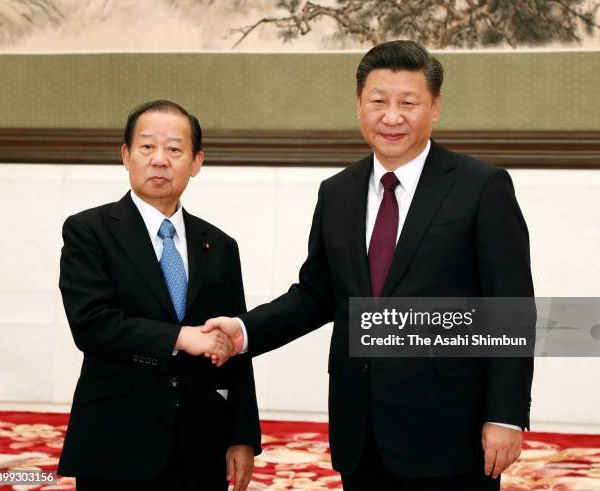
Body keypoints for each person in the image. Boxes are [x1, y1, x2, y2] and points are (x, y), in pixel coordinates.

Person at [204, 41, 534, 490]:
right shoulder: (337, 191)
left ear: (435, 107)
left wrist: (505, 415)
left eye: (408, 102)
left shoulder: (481, 187)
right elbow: (317, 293)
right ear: (359, 104)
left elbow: (510, 306)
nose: (391, 116)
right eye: (378, 101)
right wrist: (244, 331)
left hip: (450, 429)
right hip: (360, 427)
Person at [58, 100, 261, 491]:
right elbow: (93, 324)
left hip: (201, 444)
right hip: (117, 438)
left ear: (197, 161)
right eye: (147, 147)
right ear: (126, 155)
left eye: (174, 149)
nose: (159, 160)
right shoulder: (90, 231)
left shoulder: (219, 245)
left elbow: (235, 344)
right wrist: (181, 338)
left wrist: (242, 435)